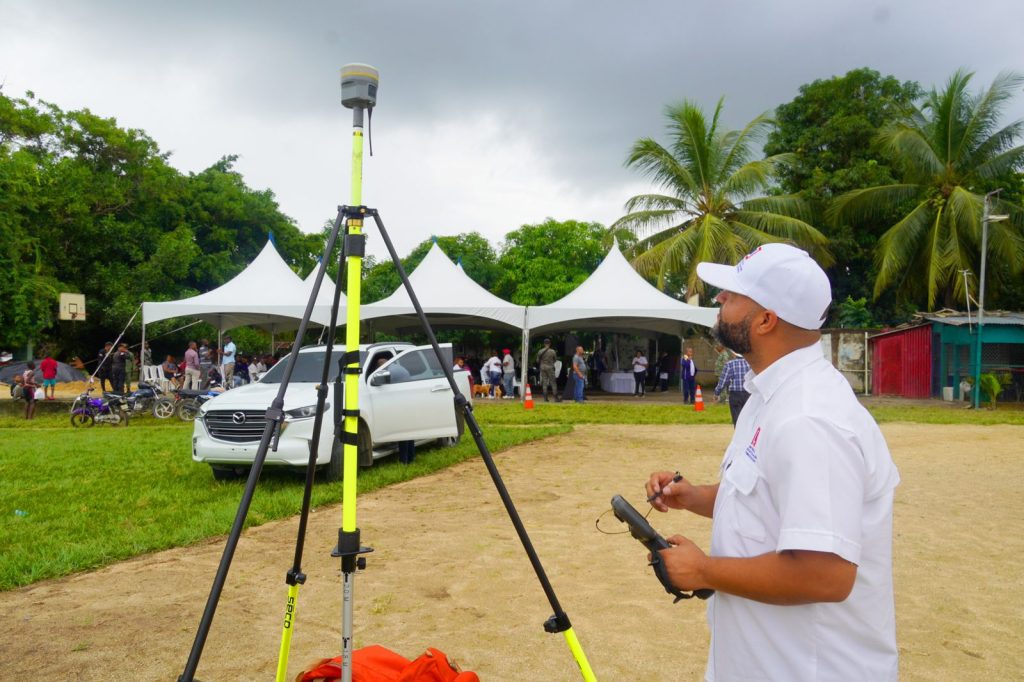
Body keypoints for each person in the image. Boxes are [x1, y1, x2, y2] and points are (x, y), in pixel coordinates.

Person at [644, 243, 900, 681]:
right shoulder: (773, 395)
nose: (719, 299)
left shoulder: (809, 420)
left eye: (733, 294)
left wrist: (703, 569)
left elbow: (825, 575)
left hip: (808, 669)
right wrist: (693, 497)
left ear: (766, 320)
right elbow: (765, 493)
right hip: (765, 661)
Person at [714, 353, 752, 426]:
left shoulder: (730, 364)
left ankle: (738, 435)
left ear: (734, 355)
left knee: (736, 418)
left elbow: (723, 381)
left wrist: (717, 393)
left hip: (735, 394)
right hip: (748, 393)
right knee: (748, 418)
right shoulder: (750, 364)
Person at [536, 338, 559, 402]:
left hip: (542, 367)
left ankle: (545, 398)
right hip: (550, 367)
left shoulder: (540, 351)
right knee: (553, 382)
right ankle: (555, 398)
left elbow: (537, 361)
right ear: (550, 343)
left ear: (544, 344)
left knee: (544, 382)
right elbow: (555, 360)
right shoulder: (552, 351)